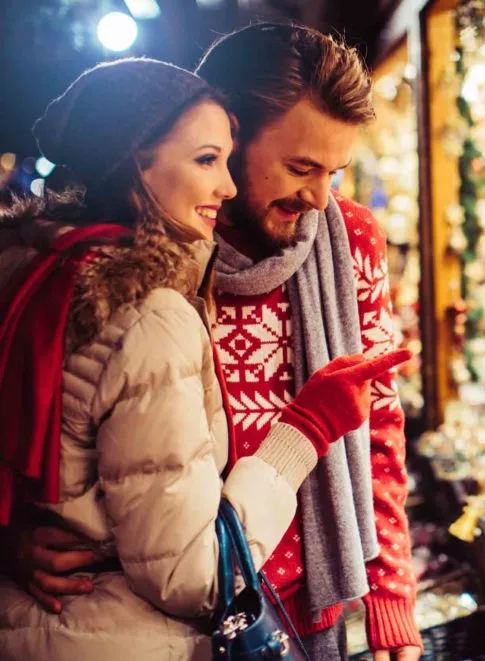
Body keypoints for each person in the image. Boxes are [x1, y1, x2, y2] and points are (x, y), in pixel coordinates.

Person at [9, 25, 424, 661]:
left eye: (335, 173)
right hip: (155, 610)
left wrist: (391, 589)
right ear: (232, 137)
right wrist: (8, 531)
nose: (318, 198)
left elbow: (378, 422)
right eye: (300, 167)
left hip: (308, 590)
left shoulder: (350, 238)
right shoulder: (135, 268)